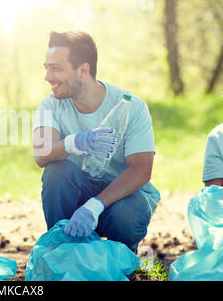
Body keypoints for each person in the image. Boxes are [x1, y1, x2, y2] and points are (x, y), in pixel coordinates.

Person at [33, 31, 160, 253]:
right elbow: (41, 154)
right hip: (75, 194)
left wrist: (94, 206)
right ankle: (63, 253)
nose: (48, 77)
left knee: (128, 213)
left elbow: (141, 170)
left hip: (119, 200)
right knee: (56, 172)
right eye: (47, 68)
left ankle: (121, 260)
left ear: (83, 70)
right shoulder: (50, 105)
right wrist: (73, 142)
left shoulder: (132, 106)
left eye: (56, 68)